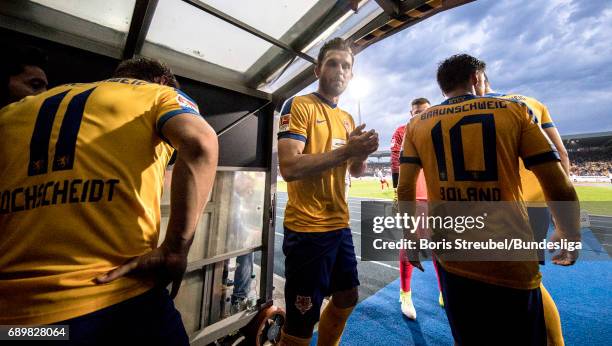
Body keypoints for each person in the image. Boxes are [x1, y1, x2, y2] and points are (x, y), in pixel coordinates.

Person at [0, 57, 218, 345]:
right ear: (162, 81)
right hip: (117, 300)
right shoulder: (159, 95)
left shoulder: (11, 112)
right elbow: (201, 142)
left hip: (18, 325)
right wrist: (174, 251)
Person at [398, 54, 580, 345]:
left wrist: (411, 237)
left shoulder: (417, 124)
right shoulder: (514, 109)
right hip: (509, 254)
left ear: (442, 88)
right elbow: (557, 181)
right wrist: (569, 233)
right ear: (476, 78)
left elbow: (404, 189)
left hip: (453, 256)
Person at [277, 37, 379, 346]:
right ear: (317, 69)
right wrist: (347, 149)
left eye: (346, 66)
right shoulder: (299, 105)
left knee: (347, 297)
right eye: (333, 63)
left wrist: (359, 154)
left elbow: (354, 171)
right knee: (301, 321)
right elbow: (290, 167)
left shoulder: (347, 118)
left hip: (339, 226)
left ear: (351, 75)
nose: (340, 70)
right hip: (307, 231)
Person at [477, 74, 570, 346]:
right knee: (521, 277)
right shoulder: (532, 103)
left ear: (477, 80)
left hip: (505, 205)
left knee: (515, 281)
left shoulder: (481, 109)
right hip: (537, 205)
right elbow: (562, 153)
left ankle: (552, 340)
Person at [390, 97, 443, 319]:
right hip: (416, 192)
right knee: (412, 241)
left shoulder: (440, 128)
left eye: (424, 111)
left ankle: (444, 291)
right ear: (410, 113)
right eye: (416, 112)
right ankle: (405, 293)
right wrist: (397, 191)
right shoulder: (403, 131)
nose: (420, 115)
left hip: (439, 194)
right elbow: (395, 159)